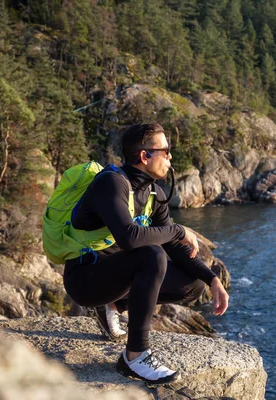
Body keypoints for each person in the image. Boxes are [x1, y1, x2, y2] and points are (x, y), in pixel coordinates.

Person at [62, 123, 229, 385]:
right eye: (166, 151)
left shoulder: (154, 192)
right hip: (85, 279)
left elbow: (174, 244)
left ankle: (114, 306)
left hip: (118, 279)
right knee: (151, 255)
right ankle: (135, 355)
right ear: (145, 156)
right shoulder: (111, 183)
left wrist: (212, 279)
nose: (170, 157)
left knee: (193, 285)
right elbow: (130, 238)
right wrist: (177, 229)